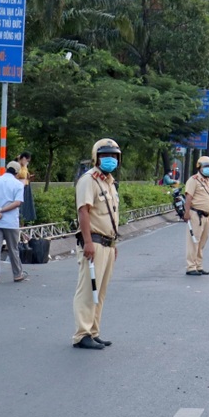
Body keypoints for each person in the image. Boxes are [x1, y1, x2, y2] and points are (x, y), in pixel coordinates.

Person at [71, 138, 122, 350]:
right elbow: (84, 211)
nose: (109, 159)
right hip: (94, 242)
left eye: (113, 156)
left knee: (99, 291)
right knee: (87, 289)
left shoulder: (108, 182)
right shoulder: (88, 180)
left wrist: (114, 244)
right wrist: (89, 242)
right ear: (96, 157)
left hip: (107, 244)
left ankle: (93, 331)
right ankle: (82, 333)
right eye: (105, 155)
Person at [0, 161, 27, 285]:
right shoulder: (18, 185)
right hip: (10, 222)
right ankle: (17, 274)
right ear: (17, 173)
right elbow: (17, 202)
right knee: (13, 248)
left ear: (6, 169)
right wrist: (1, 210)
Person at [184, 156, 209, 275]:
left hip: (207, 216)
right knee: (194, 241)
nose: (208, 169)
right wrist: (186, 213)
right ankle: (191, 267)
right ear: (200, 167)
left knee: (202, 242)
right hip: (195, 215)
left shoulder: (208, 182)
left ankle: (199, 265)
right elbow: (189, 197)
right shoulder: (193, 180)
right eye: (206, 167)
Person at [15, 151, 37, 224]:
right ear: (24, 158)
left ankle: (22, 224)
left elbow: (25, 174)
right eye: (27, 160)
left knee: (25, 209)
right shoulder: (16, 165)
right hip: (19, 186)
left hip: (25, 185)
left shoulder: (25, 166)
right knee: (20, 207)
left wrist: (29, 177)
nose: (27, 162)